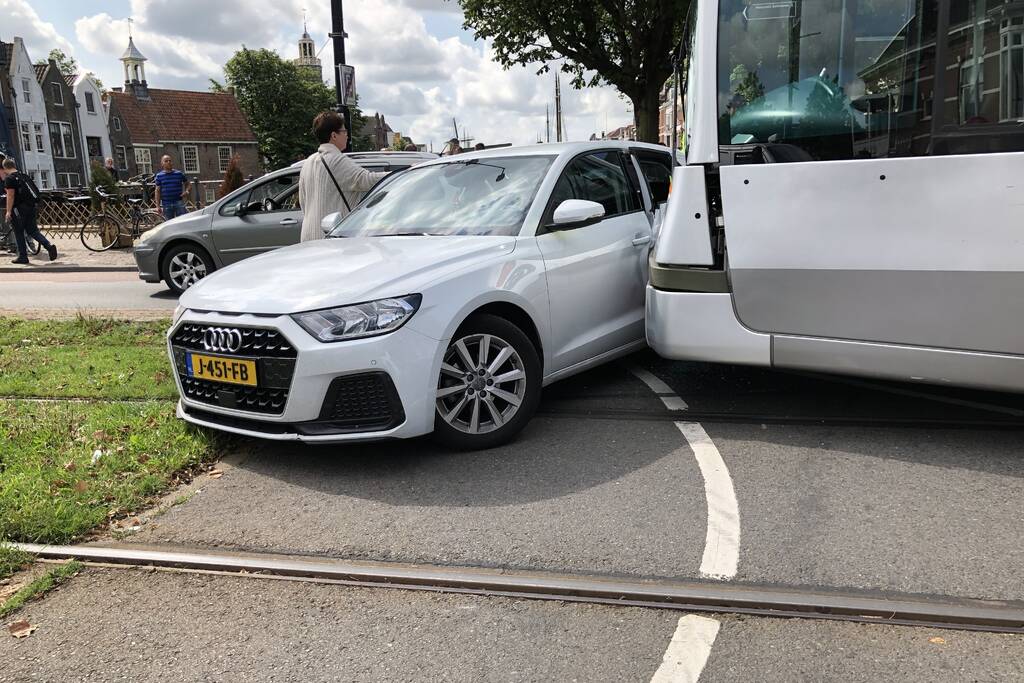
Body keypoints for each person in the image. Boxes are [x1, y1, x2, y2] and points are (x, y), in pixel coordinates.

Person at [298, 111, 387, 242]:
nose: (347, 136)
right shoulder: (336, 159)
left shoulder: (308, 162)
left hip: (308, 236)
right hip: (331, 237)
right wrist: (401, 174)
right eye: (344, 131)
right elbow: (366, 180)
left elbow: (303, 202)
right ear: (334, 135)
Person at [2, 158, 57, 264]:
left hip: (18, 209)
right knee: (33, 231)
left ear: (5, 168)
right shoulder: (25, 176)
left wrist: (8, 211)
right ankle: (48, 246)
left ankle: (23, 256)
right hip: (31, 207)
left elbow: (10, 195)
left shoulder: (10, 179)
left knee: (18, 231)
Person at [153, 154, 191, 219]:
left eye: (170, 161)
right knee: (168, 223)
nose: (168, 162)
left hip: (179, 202)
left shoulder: (179, 174)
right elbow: (157, 191)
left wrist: (187, 191)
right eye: (166, 161)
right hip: (166, 204)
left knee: (182, 221)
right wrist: (158, 206)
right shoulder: (159, 176)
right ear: (162, 164)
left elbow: (188, 184)